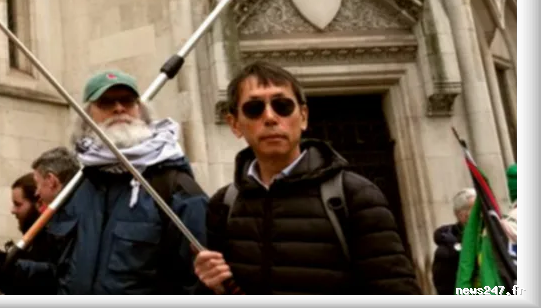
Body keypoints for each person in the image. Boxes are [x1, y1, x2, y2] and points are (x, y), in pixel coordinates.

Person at [194, 61, 421, 295]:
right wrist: (211, 286)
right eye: (254, 108)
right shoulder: (223, 204)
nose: (270, 117)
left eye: (282, 106)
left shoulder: (355, 195)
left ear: (303, 116)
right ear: (235, 124)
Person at [41, 70, 208, 295]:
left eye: (128, 101)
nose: (119, 108)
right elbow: (61, 271)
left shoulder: (175, 186)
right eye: (106, 102)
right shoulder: (78, 185)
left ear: (141, 111)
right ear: (86, 116)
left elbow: (199, 282)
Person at [433, 189, 475, 295]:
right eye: (477, 210)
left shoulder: (486, 237)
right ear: (462, 215)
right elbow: (446, 289)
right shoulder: (446, 252)